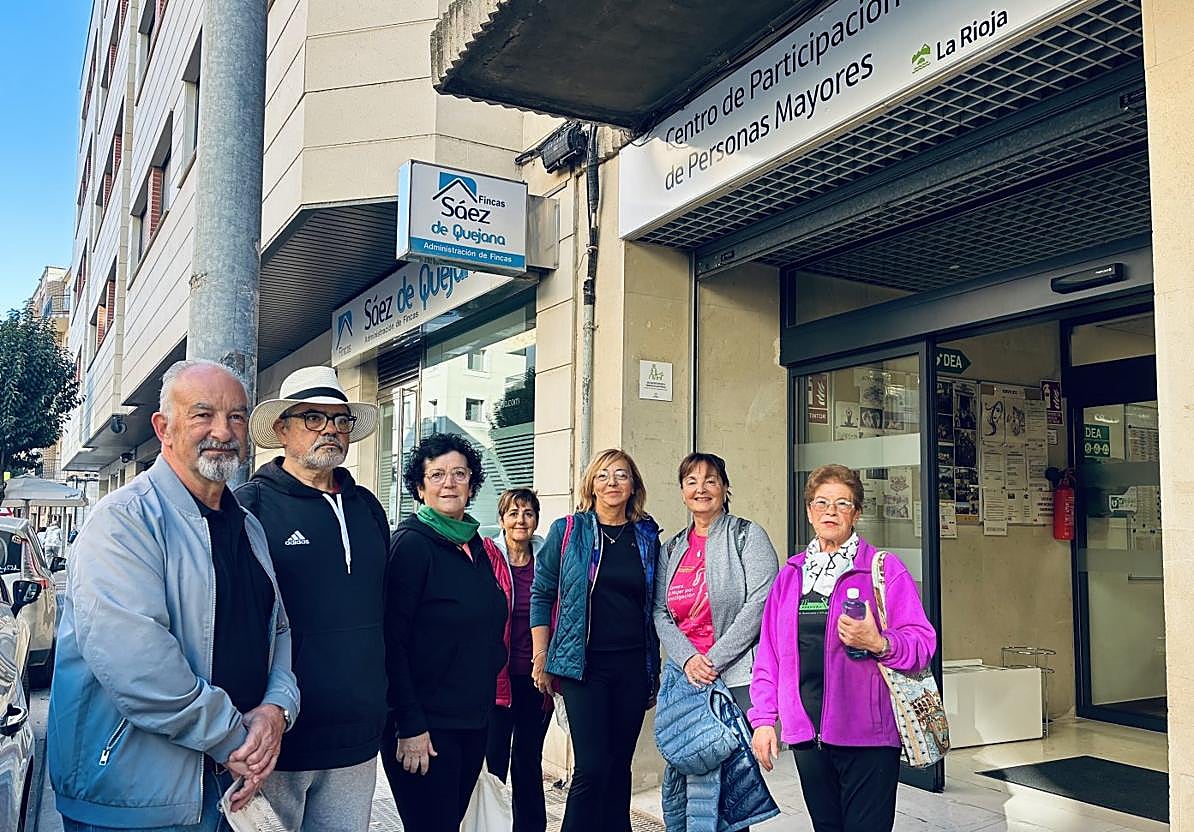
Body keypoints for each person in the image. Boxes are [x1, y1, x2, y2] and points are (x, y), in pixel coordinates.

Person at [47, 359, 300, 831]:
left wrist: (277, 708)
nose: (223, 431)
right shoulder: (122, 522)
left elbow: (278, 628)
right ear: (163, 427)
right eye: (203, 414)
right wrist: (235, 737)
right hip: (133, 801)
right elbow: (139, 667)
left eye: (237, 416)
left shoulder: (250, 528)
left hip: (226, 785)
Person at [235, 365, 389, 831]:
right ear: (281, 429)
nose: (332, 431)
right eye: (314, 419)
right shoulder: (249, 507)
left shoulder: (368, 508)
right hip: (279, 738)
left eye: (340, 420)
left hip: (358, 735)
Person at [749, 464, 936, 832]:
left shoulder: (882, 569)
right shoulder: (790, 576)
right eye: (821, 503)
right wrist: (763, 719)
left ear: (857, 513)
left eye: (842, 504)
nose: (830, 512)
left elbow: (922, 642)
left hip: (868, 736)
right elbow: (769, 655)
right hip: (807, 737)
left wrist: (879, 643)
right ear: (808, 511)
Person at [530, 449, 662, 832]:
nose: (612, 483)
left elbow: (653, 603)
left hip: (633, 666)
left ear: (633, 484)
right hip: (582, 666)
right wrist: (542, 654)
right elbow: (542, 592)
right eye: (603, 475)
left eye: (621, 475)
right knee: (591, 766)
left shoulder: (646, 535)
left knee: (620, 765)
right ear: (591, 483)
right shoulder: (569, 530)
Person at [383, 433, 508, 832]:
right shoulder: (410, 547)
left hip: (472, 721)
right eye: (436, 475)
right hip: (425, 728)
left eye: (459, 473)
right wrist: (410, 725)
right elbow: (392, 643)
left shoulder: (475, 548)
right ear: (419, 488)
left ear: (472, 483)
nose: (449, 483)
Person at [485, 488, 551, 832]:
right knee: (494, 761)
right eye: (513, 513)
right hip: (497, 679)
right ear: (502, 520)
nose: (520, 520)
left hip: (536, 677)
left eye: (527, 513)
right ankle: (491, 825)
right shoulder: (488, 556)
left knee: (527, 761)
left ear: (536, 519)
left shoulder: (547, 558)